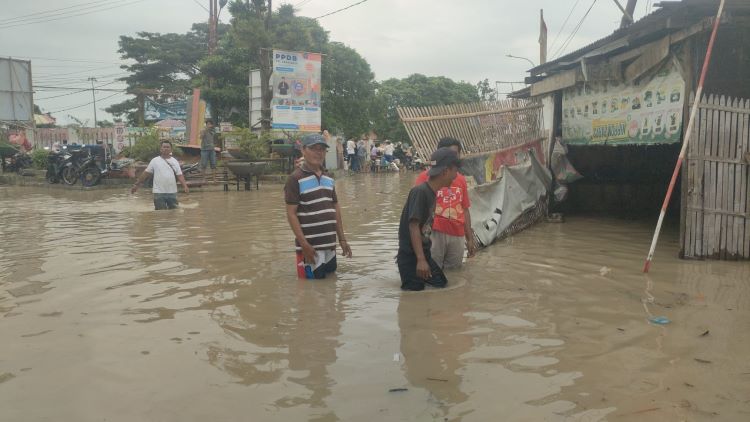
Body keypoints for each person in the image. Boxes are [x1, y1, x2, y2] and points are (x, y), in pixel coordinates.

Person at [285, 133, 353, 279]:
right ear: (303, 150)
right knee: (310, 293)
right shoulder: (295, 179)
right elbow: (291, 214)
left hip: (329, 246)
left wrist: (342, 239)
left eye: (322, 149)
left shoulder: (328, 178)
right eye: (314, 148)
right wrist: (304, 244)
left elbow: (335, 207)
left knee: (329, 289)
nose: (319, 153)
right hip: (310, 249)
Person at [397, 147, 461, 291]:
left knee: (441, 284)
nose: (456, 176)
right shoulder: (420, 192)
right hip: (411, 257)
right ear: (445, 172)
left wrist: (424, 258)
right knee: (413, 297)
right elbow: (413, 226)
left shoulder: (431, 192)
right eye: (455, 171)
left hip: (423, 254)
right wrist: (420, 260)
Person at [415, 137, 477, 270]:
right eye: (449, 154)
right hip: (434, 233)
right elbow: (416, 212)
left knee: (454, 273)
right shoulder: (425, 178)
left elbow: (465, 209)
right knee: (432, 270)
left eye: (456, 154)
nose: (453, 158)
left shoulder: (460, 180)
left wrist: (469, 238)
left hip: (457, 233)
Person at [131, 140, 189, 210]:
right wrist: (136, 185)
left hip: (172, 192)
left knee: (174, 212)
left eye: (168, 147)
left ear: (171, 149)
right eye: (164, 147)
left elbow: (179, 175)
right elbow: (145, 174)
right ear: (160, 149)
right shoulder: (155, 161)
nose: (166, 148)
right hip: (159, 193)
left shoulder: (175, 161)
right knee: (160, 213)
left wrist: (185, 186)